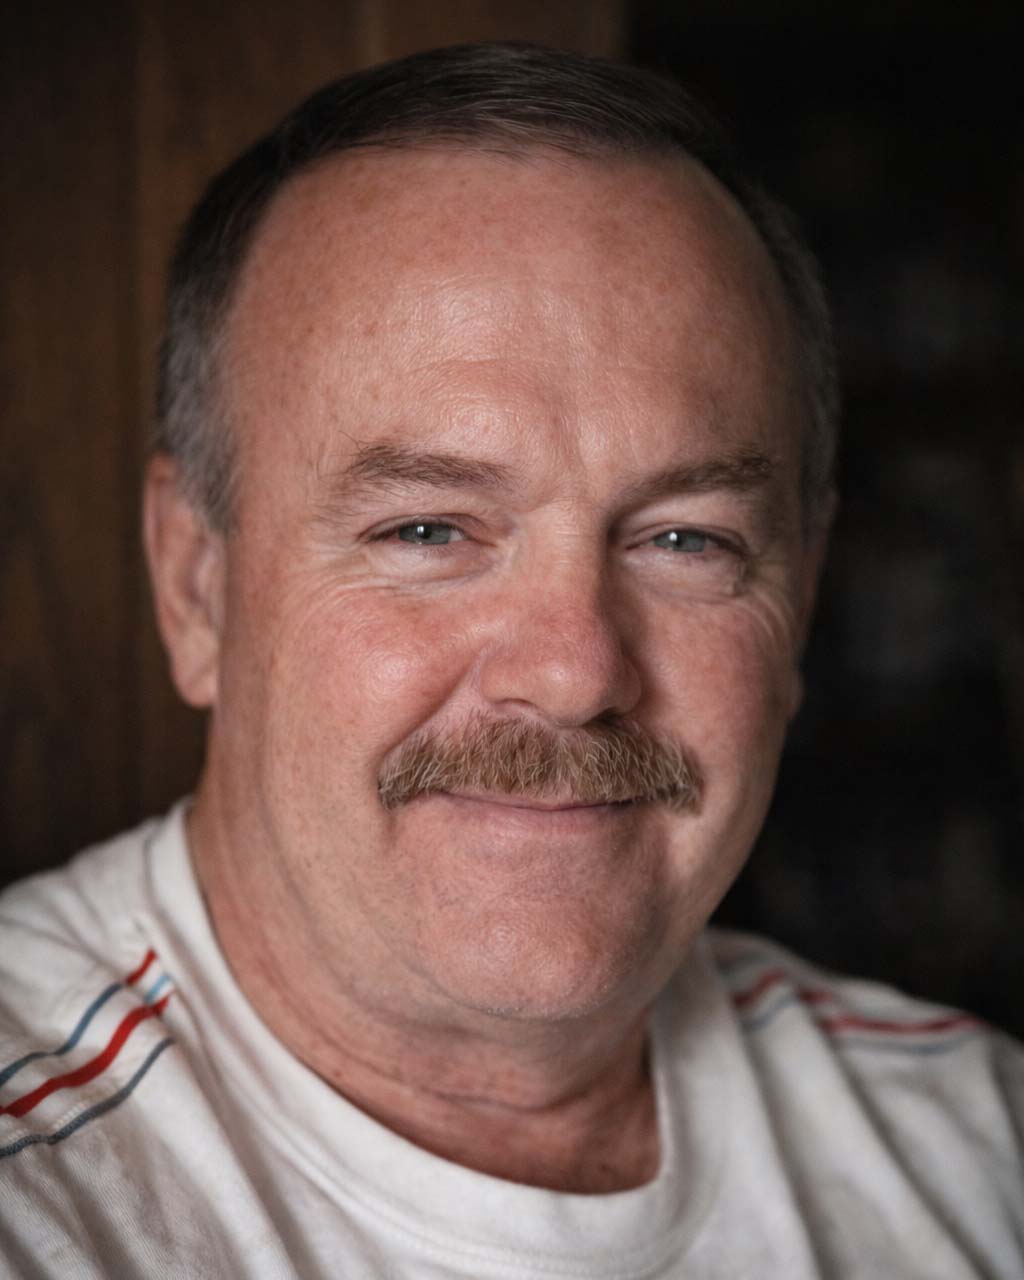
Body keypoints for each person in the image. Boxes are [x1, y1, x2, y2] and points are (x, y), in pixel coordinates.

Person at [0, 42, 1020, 1279]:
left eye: (684, 538)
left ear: (798, 600)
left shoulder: (981, 1147)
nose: (575, 671)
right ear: (194, 584)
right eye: (427, 529)